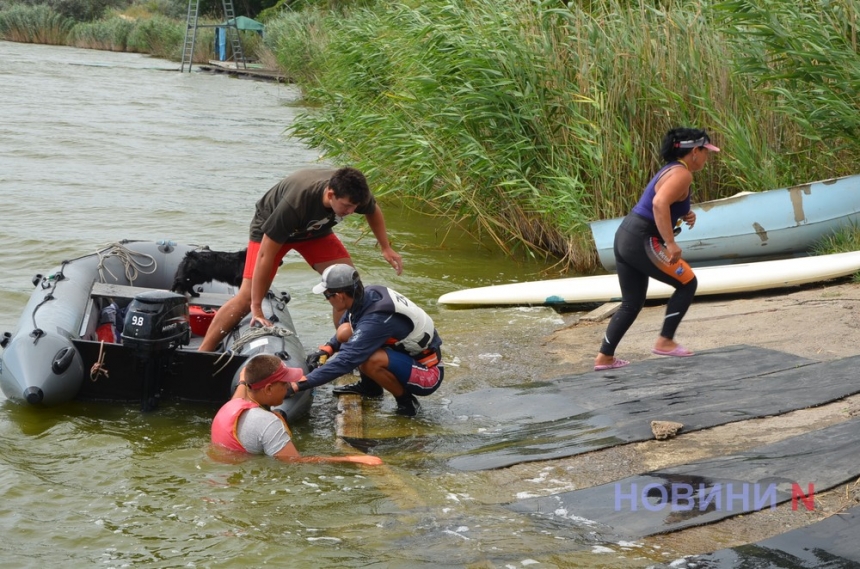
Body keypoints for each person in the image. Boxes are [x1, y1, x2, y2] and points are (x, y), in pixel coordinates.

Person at [199, 167, 403, 352]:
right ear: (331, 194)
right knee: (246, 298)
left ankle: (348, 351)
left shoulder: (355, 194)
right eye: (347, 206)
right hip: (272, 231)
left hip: (314, 232)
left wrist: (385, 247)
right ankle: (203, 352)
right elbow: (265, 255)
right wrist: (257, 307)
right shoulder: (296, 202)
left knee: (348, 287)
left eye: (354, 207)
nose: (350, 212)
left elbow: (373, 211)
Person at [593, 127, 720, 371]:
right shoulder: (683, 174)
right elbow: (659, 202)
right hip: (642, 239)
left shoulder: (671, 169)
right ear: (695, 152)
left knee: (632, 302)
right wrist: (670, 243)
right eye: (706, 152)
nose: (708, 157)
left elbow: (665, 201)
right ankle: (665, 341)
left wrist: (685, 213)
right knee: (687, 283)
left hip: (625, 236)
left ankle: (604, 358)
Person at [287, 264, 444, 417]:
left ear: (339, 296)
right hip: (407, 356)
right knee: (345, 332)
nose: (326, 300)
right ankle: (370, 388)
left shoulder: (377, 319)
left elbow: (346, 360)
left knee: (368, 360)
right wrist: (327, 349)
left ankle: (406, 402)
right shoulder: (366, 294)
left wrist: (299, 384)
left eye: (326, 295)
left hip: (428, 373)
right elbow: (345, 326)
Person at [211, 353, 383, 465]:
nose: (288, 387)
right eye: (284, 383)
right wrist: (351, 458)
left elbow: (241, 393)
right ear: (268, 389)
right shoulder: (268, 423)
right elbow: (296, 462)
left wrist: (243, 380)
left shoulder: (230, 406)